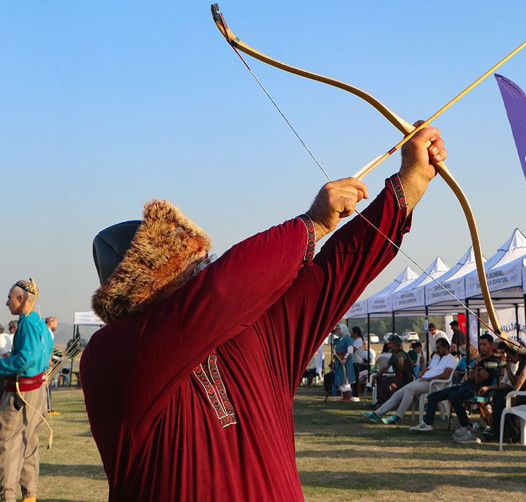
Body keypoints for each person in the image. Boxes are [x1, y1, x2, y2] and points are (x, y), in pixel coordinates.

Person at [80, 125, 448, 501]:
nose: (206, 271)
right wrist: (313, 224)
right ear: (145, 288)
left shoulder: (245, 330)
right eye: (192, 268)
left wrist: (410, 182)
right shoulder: (114, 353)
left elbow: (331, 275)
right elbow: (222, 289)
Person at [1, 279, 53, 502]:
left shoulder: (29, 324)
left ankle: (8, 497)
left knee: (7, 446)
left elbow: (27, 358)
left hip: (22, 394)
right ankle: (29, 496)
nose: (6, 303)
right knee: (29, 444)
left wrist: (3, 364)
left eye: (10, 298)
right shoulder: (39, 323)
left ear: (21, 299)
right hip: (37, 393)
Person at [409, 333, 500, 440]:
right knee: (433, 396)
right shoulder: (480, 359)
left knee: (453, 396)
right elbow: (471, 376)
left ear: (491, 345)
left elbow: (478, 380)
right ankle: (428, 424)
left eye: (484, 344)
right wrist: (477, 369)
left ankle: (466, 425)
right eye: (480, 344)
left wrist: (476, 367)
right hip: (465, 385)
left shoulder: (493, 362)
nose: (482, 347)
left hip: (477, 389)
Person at [363, 337, 458, 424]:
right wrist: (423, 365)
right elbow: (427, 371)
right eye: (436, 347)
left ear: (446, 347)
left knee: (410, 389)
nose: (437, 350)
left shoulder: (452, 359)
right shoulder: (436, 358)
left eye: (439, 347)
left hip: (435, 384)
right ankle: (377, 414)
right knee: (398, 393)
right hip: (424, 380)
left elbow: (446, 375)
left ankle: (397, 416)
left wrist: (429, 378)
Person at [482, 341, 526, 443]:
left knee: (508, 401)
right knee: (500, 396)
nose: (508, 359)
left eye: (510, 357)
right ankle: (499, 432)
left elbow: (523, 375)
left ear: (516, 353)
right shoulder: (521, 362)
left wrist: (515, 392)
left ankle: (514, 436)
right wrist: (508, 368)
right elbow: (515, 381)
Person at [376, 334, 414, 404]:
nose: (388, 345)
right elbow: (385, 367)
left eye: (390, 343)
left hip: (406, 378)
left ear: (395, 344)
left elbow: (400, 362)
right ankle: (380, 400)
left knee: (385, 381)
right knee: (381, 378)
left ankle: (384, 402)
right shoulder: (394, 354)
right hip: (401, 377)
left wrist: (399, 373)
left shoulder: (400, 354)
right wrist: (376, 376)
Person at [332, 324, 355, 402]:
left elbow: (350, 350)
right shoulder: (340, 339)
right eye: (337, 329)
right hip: (339, 361)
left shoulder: (347, 338)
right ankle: (344, 397)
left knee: (346, 378)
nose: (338, 330)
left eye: (339, 329)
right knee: (341, 378)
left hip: (345, 362)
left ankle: (347, 397)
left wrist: (345, 358)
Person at [350, 326, 367, 401]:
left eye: (352, 332)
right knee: (353, 379)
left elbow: (352, 350)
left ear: (355, 333)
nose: (351, 333)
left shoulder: (359, 340)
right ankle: (354, 394)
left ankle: (356, 395)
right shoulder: (355, 340)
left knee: (356, 379)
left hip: (356, 361)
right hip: (354, 361)